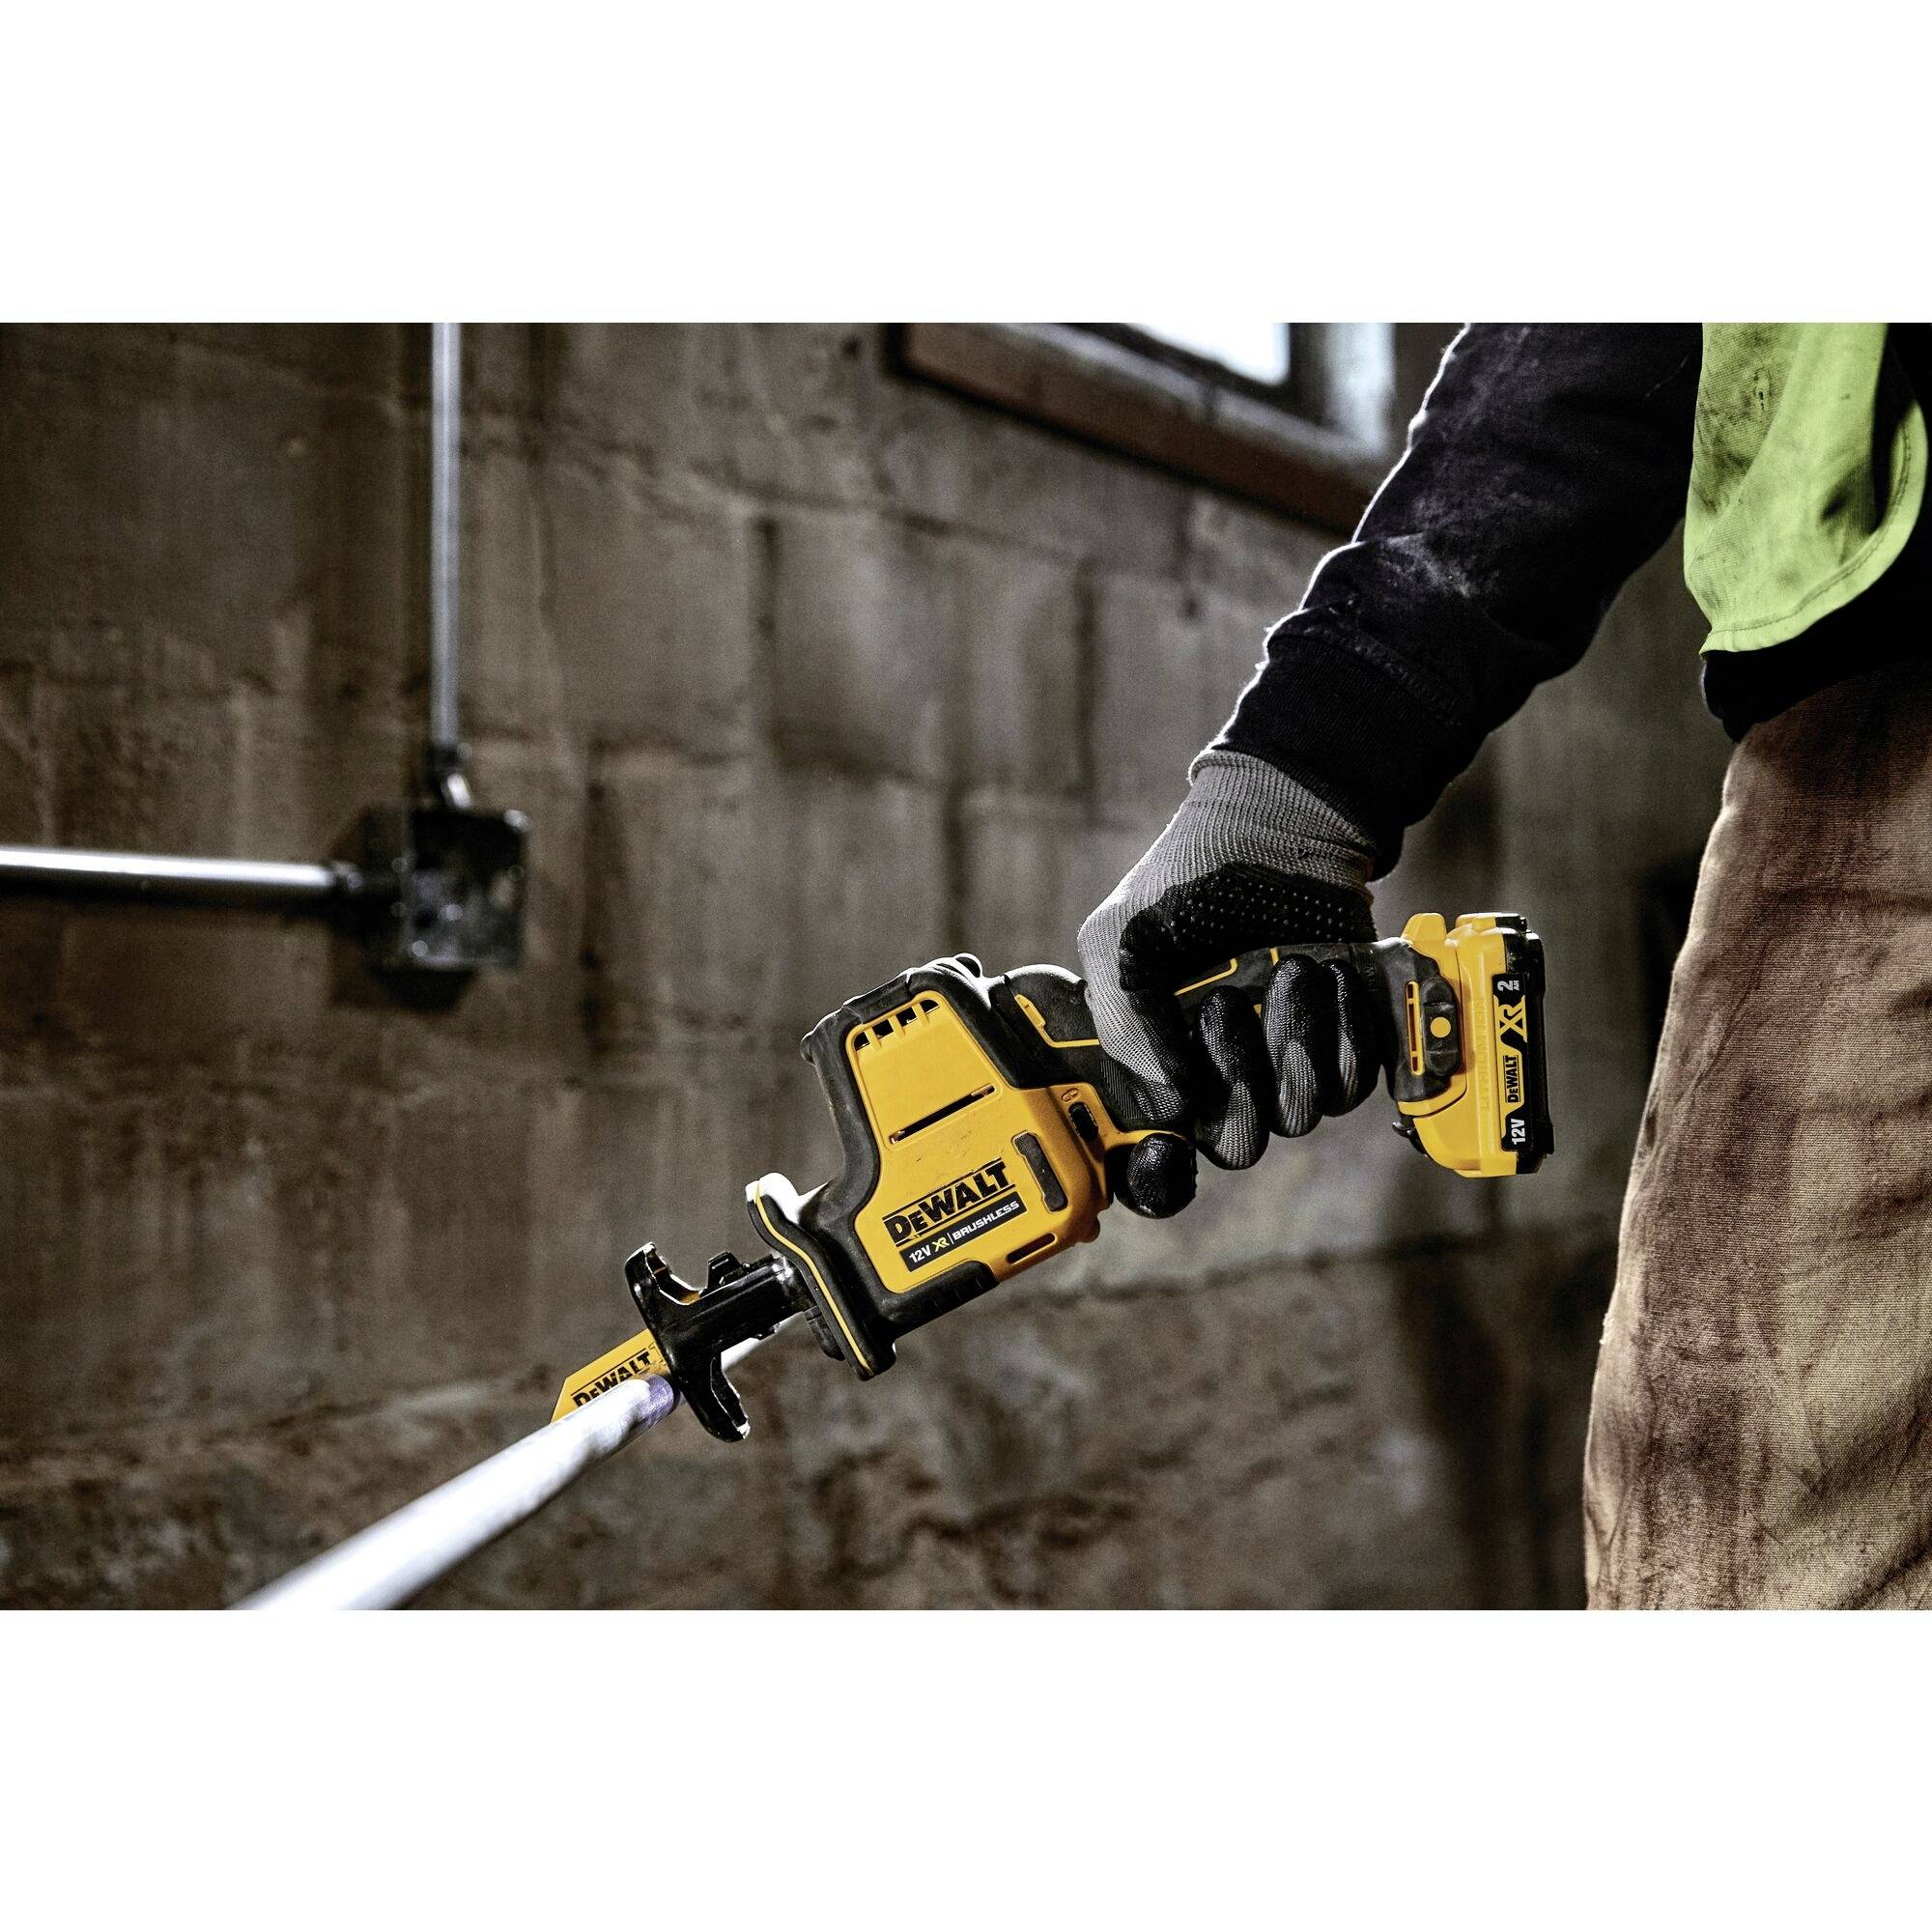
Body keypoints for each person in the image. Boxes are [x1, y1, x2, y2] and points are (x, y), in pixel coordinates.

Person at [1077, 324, 1932, 1609]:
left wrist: (1305, 769)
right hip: (1881, 692)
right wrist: (1304, 773)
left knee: (1756, 1542)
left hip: (1894, 711)